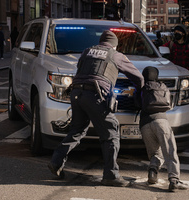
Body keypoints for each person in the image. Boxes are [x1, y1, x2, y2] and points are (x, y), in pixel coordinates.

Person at [48, 30, 144, 186]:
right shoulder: (115, 55)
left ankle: (56, 161)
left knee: (77, 130)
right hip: (95, 95)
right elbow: (138, 78)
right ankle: (111, 175)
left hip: (77, 93)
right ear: (114, 45)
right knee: (111, 133)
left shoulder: (87, 51)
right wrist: (140, 93)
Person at [140, 66, 189, 192]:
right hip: (162, 122)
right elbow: (170, 103)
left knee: (155, 153)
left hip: (145, 124)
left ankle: (152, 171)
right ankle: (174, 180)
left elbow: (136, 103)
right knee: (170, 151)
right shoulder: (163, 87)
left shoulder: (142, 89)